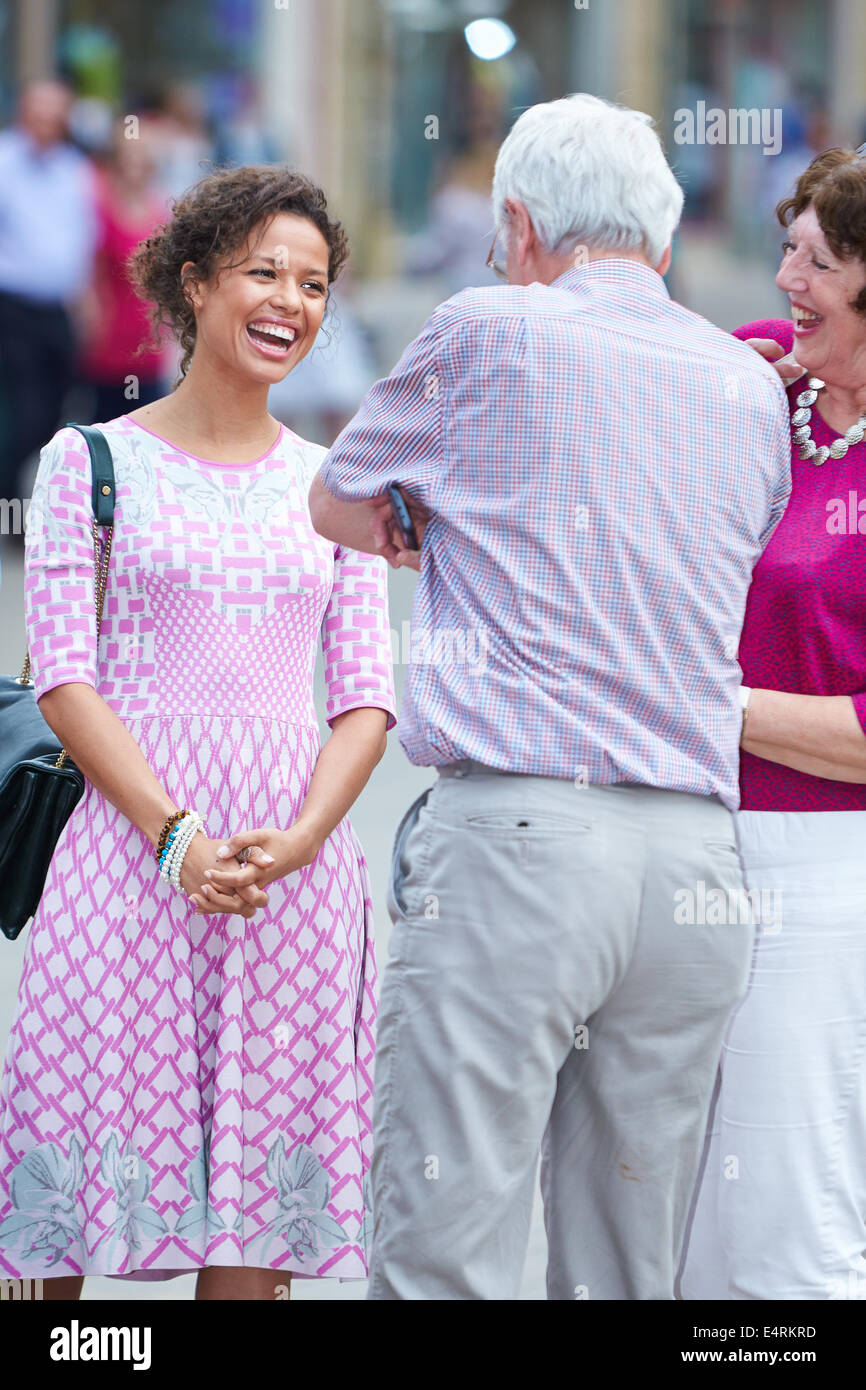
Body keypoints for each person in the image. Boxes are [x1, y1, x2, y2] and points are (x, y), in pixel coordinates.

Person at [308, 93, 792, 1300]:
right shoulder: (743, 388)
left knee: (446, 1239)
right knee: (629, 1265)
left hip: (520, 841)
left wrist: (448, 517)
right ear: (665, 241)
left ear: (518, 225)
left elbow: (335, 501)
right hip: (691, 854)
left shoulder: (492, 329)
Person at [0, 165, 397, 1300]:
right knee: (59, 1223)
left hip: (288, 885)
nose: (290, 301)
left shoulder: (336, 488)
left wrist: (308, 837)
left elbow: (366, 699)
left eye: (313, 283)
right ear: (192, 284)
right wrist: (175, 838)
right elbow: (66, 678)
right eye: (262, 272)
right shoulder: (90, 462)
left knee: (253, 1243)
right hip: (124, 868)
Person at [680, 148, 866, 1301]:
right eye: (784, 248)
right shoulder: (762, 387)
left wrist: (704, 701)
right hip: (693, 840)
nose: (783, 278)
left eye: (815, 259)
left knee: (784, 1208)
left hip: (824, 865)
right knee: (684, 1191)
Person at [0, 78, 97, 522]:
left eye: (55, 116)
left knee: (55, 415)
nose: (46, 124)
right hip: (12, 306)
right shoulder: (4, 160)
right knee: (24, 410)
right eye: (39, 114)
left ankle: (27, 510)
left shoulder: (75, 170)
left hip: (58, 308)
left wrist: (87, 300)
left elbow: (81, 242)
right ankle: (10, 513)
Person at [77, 119, 168, 422]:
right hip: (108, 337)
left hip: (148, 337)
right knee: (104, 426)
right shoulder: (99, 209)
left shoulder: (161, 212)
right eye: (130, 158)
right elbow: (86, 272)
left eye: (143, 159)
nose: (137, 167)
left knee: (148, 426)